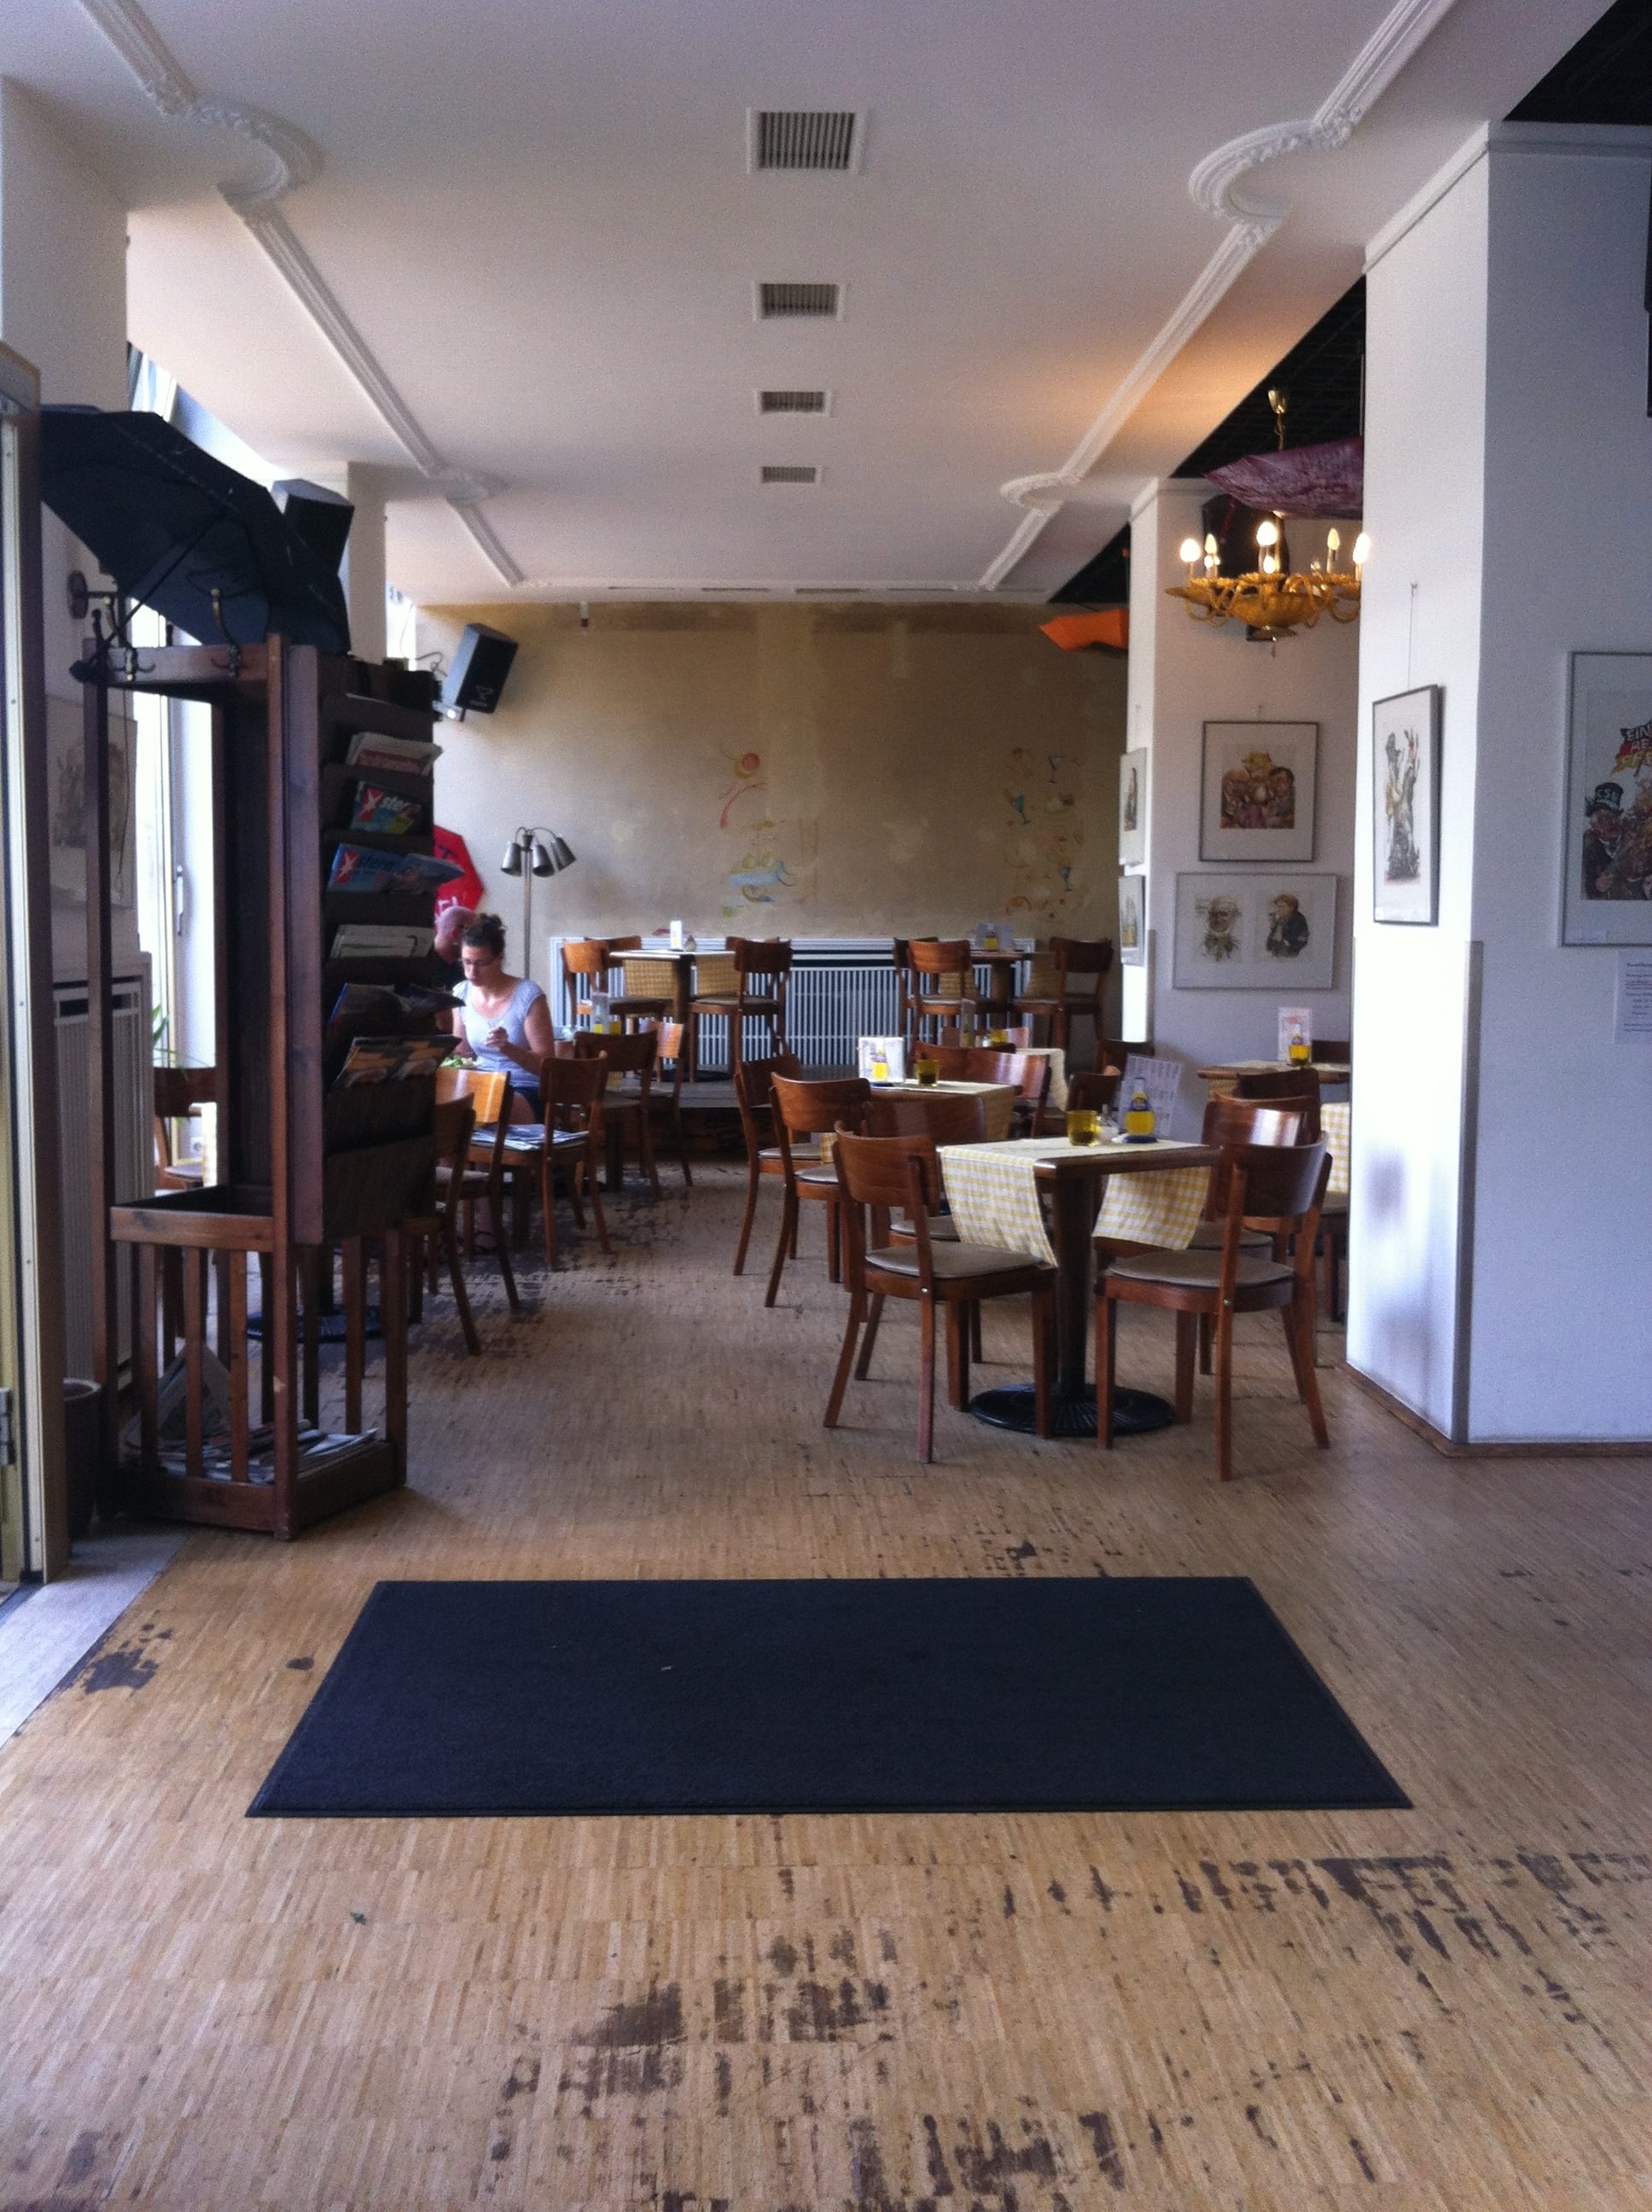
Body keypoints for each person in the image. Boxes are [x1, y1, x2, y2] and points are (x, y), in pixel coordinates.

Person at [447, 913, 553, 1119]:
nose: (471, 973)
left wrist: (507, 1048)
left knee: (491, 1105)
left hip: (524, 1088)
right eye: (466, 962)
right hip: (482, 1083)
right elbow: (462, 1054)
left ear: (499, 958)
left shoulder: (528, 995)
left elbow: (547, 1066)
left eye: (481, 963)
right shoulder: (461, 993)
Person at [432, 902, 478, 988]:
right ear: (455, 933)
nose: (478, 943)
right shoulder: (420, 966)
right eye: (475, 936)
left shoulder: (464, 975)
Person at [1265, 892, 1310, 958]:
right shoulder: (1280, 920)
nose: (1278, 910)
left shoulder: (1298, 920)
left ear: (1291, 908)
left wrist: (1282, 938)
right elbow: (1271, 942)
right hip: (1276, 955)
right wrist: (1273, 927)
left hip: (1290, 956)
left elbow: (1300, 940)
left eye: (1281, 907)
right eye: (1277, 907)